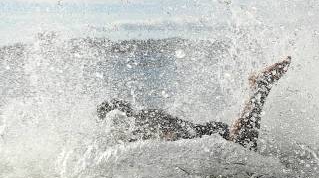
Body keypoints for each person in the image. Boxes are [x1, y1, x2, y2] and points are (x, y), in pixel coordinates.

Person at [95, 56, 291, 151]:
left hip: (206, 139)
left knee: (244, 147)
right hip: (207, 134)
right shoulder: (140, 123)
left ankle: (259, 87)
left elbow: (170, 133)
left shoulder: (139, 124)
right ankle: (258, 88)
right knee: (246, 148)